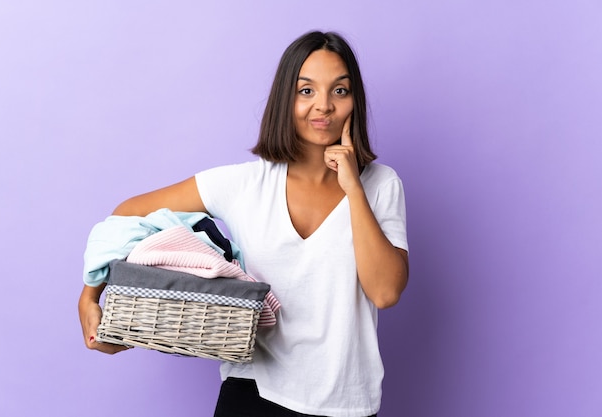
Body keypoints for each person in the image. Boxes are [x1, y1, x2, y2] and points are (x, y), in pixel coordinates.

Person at [78, 30, 409, 417]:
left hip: (345, 403)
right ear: (285, 97)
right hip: (252, 394)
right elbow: (127, 214)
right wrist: (88, 296)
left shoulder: (381, 185)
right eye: (306, 91)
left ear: (355, 100)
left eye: (339, 91)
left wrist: (353, 187)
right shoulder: (245, 184)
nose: (323, 106)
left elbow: (385, 292)